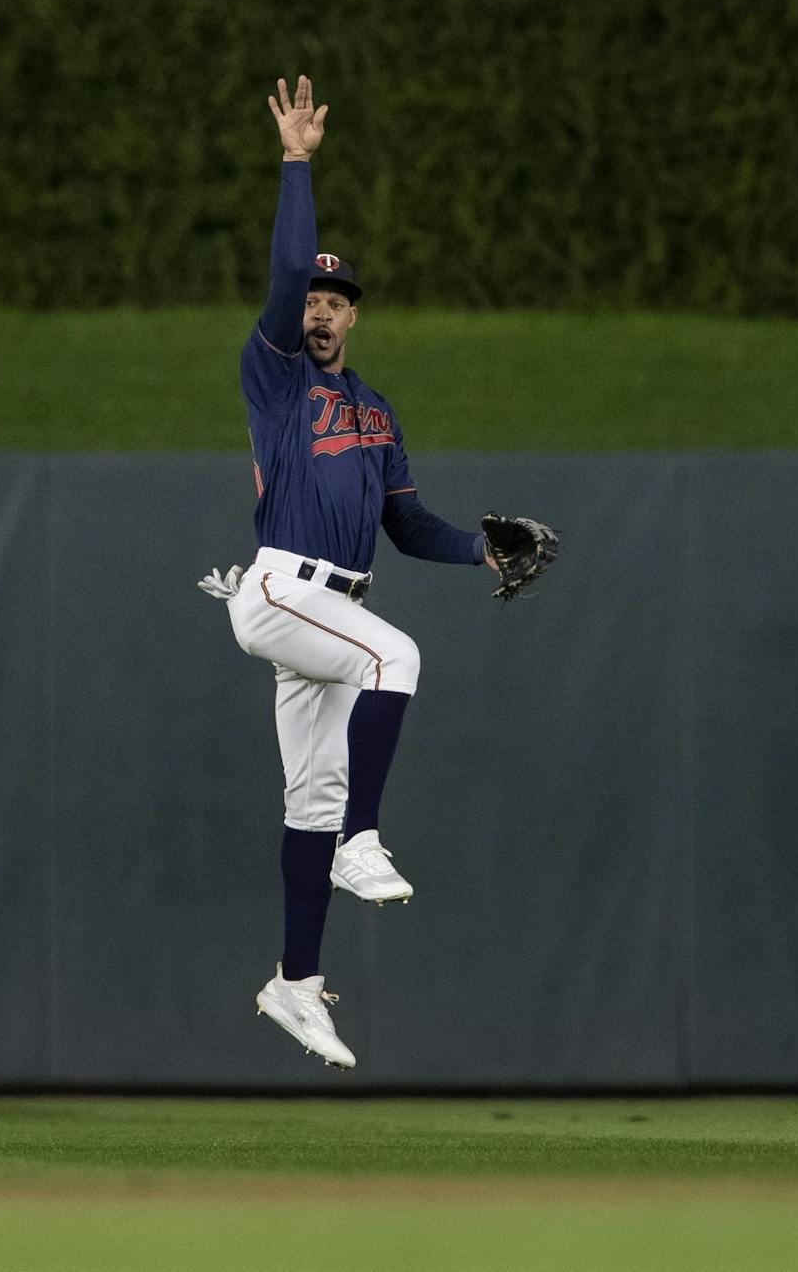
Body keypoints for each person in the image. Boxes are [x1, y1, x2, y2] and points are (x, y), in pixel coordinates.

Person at [200, 76, 534, 1069]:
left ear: (354, 317)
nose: (321, 307)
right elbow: (286, 261)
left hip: (328, 608)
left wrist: (477, 548)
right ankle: (365, 835)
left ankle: (295, 982)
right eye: (311, 293)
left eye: (337, 299)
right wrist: (296, 161)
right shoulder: (273, 374)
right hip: (278, 588)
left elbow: (406, 523)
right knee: (396, 659)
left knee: (308, 797)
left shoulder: (377, 411)